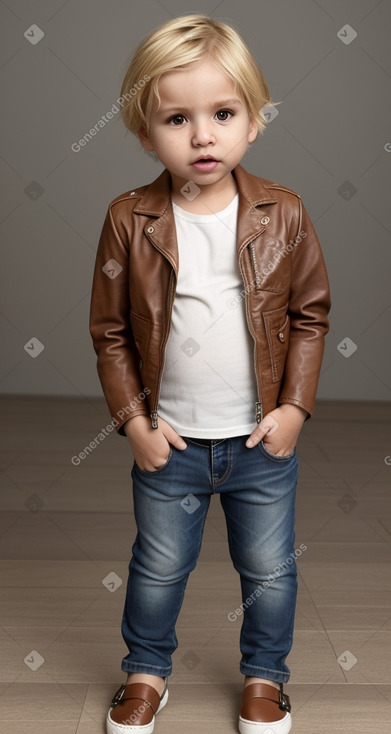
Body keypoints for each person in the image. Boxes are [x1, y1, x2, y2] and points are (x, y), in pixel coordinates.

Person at [89, 13, 331, 734]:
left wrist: (293, 408)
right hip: (171, 443)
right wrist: (133, 422)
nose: (201, 135)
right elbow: (109, 331)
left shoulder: (281, 212)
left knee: (268, 571)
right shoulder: (129, 218)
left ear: (252, 122)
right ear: (143, 132)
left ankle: (265, 676)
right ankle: (145, 671)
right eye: (176, 118)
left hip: (259, 444)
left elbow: (310, 316)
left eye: (222, 114)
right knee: (159, 568)